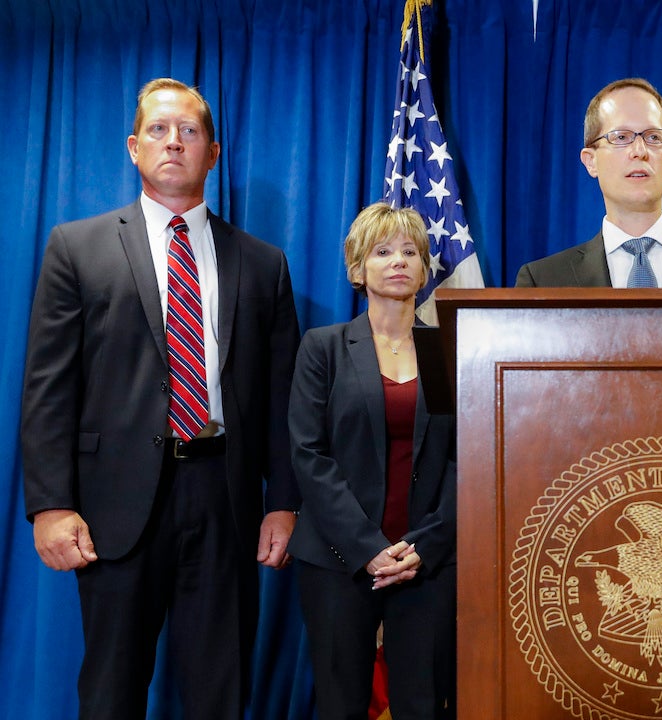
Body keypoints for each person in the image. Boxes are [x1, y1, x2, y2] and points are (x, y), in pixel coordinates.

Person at [21, 78, 300, 719]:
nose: (174, 142)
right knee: (111, 691)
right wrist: (50, 504)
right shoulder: (76, 248)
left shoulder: (263, 264)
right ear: (133, 147)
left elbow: (281, 398)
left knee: (219, 692)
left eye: (190, 132)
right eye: (158, 130)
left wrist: (282, 503)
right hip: (113, 505)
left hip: (224, 499)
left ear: (213, 152)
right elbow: (48, 388)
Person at [288, 202, 457, 720]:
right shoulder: (326, 348)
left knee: (423, 704)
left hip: (424, 563)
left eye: (410, 251)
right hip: (338, 561)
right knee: (340, 704)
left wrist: (424, 546)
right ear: (358, 269)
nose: (398, 261)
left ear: (425, 269)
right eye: (383, 252)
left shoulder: (443, 350)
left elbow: (465, 458)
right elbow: (308, 453)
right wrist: (367, 549)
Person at [515, 77, 662, 287]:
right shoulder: (543, 281)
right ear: (591, 161)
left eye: (653, 137)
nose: (639, 151)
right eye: (621, 137)